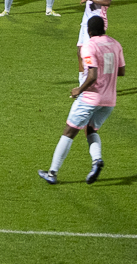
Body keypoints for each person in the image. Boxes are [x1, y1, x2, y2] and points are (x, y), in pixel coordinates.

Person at [38, 16, 125, 185]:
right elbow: (121, 71)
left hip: (90, 98)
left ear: (89, 30)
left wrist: (79, 89)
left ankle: (52, 173)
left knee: (69, 132)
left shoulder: (89, 46)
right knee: (91, 130)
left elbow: (92, 75)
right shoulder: (115, 44)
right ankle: (97, 161)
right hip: (109, 100)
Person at [77, 0, 111, 85]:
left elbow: (107, 1)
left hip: (96, 23)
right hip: (86, 21)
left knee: (90, 54)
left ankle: (100, 82)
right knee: (80, 51)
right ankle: (82, 83)